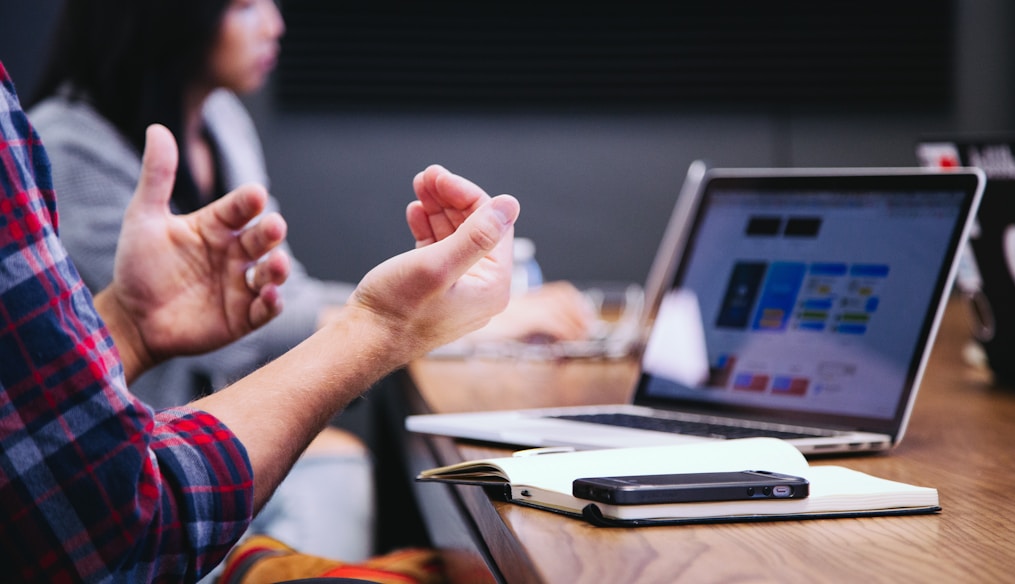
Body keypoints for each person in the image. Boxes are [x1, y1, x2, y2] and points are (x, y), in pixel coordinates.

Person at [27, 0, 595, 561]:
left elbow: (274, 297)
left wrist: (434, 309)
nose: (275, 24)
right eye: (246, 6)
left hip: (197, 445)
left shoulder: (220, 120)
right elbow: (248, 332)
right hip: (128, 485)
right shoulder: (69, 148)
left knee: (344, 467)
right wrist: (434, 322)